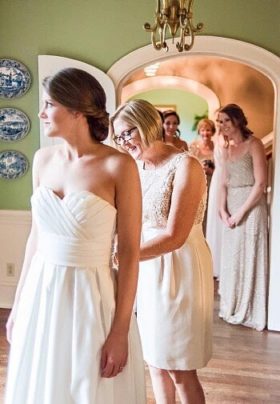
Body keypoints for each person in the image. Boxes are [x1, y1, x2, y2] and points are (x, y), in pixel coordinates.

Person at [5, 68, 146, 404]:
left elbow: (129, 252)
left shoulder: (119, 166)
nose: (41, 113)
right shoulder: (42, 160)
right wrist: (18, 305)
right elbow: (35, 241)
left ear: (77, 111)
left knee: (88, 389)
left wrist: (121, 330)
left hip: (92, 298)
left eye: (49, 104)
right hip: (42, 293)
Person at [110, 99, 213, 404]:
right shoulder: (135, 168)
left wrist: (124, 256)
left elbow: (175, 235)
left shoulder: (186, 166)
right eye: (119, 137)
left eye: (128, 133)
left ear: (147, 124)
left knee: (180, 367)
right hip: (147, 268)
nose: (124, 142)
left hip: (180, 268)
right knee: (154, 361)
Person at [217, 103, 268, 331]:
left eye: (226, 120)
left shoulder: (254, 144)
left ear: (238, 120)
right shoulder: (225, 149)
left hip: (251, 205)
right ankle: (232, 305)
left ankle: (250, 308)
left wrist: (240, 212)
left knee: (248, 254)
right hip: (231, 206)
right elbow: (223, 182)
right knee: (232, 258)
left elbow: (261, 184)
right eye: (220, 121)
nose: (223, 125)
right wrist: (222, 209)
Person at [189, 118, 216, 235]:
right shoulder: (194, 146)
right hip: (198, 182)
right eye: (203, 130)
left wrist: (212, 170)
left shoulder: (217, 147)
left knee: (211, 210)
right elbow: (189, 165)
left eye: (208, 130)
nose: (205, 133)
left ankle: (211, 235)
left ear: (213, 132)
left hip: (213, 182)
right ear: (199, 131)